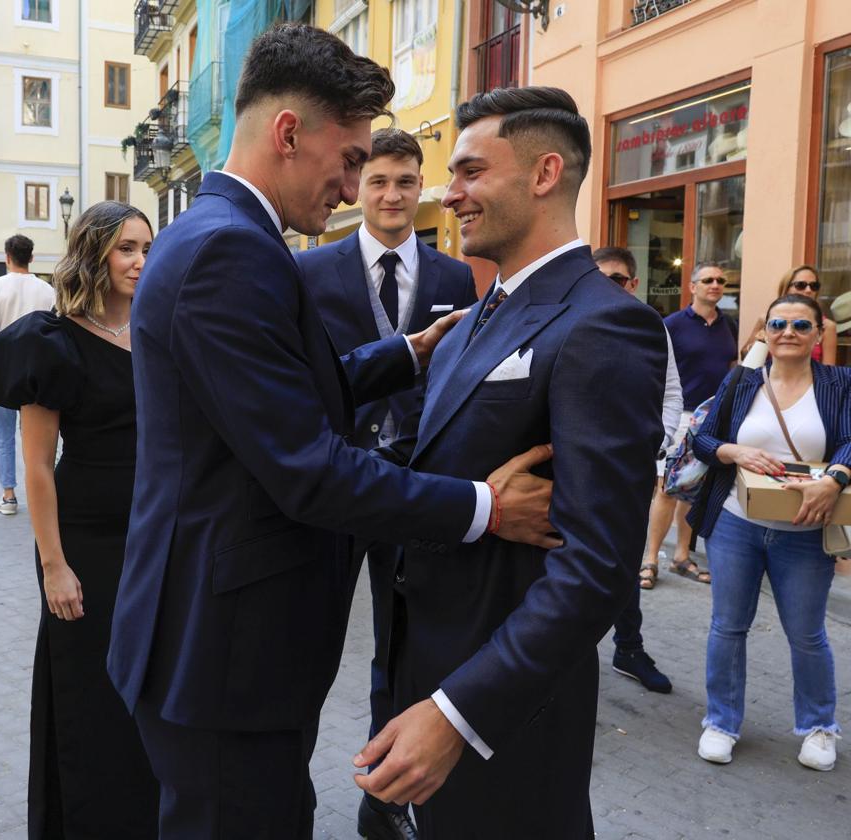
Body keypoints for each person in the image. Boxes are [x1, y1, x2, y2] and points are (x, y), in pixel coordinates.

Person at [108, 25, 555, 839]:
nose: (352, 189)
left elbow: (272, 401)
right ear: (288, 134)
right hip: (221, 660)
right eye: (350, 160)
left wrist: (405, 355)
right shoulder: (228, 254)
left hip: (216, 649)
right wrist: (484, 508)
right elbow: (307, 467)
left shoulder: (221, 236)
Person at [353, 87, 667, 838]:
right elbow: (421, 462)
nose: (448, 193)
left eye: (468, 172)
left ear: (544, 172)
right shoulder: (464, 327)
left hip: (505, 707)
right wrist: (479, 502)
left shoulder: (606, 324)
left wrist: (460, 714)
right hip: (420, 666)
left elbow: (597, 568)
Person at [297, 127, 477, 840]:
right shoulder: (311, 273)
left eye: (406, 181)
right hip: (338, 487)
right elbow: (309, 381)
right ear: (358, 189)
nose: (393, 195)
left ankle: (381, 795)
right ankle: (289, 782)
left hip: (420, 492)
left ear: (420, 185)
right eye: (378, 181)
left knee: (401, 649)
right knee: (308, 637)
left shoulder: (456, 278)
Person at [0, 201, 159, 839]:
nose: (140, 261)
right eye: (125, 249)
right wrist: (54, 565)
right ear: (94, 254)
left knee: (148, 686)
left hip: (154, 538)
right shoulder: (51, 341)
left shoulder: (160, 328)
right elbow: (36, 467)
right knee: (89, 691)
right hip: (83, 542)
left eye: (146, 247)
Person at [688, 293, 847, 771]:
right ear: (765, 331)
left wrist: (834, 478)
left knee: (806, 633)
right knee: (728, 627)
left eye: (801, 326)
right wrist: (734, 453)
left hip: (805, 530)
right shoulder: (742, 381)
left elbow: (850, 440)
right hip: (736, 523)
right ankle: (721, 722)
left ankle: (819, 727)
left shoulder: (840, 383)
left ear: (819, 335)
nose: (788, 333)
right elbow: (702, 438)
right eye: (778, 323)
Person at [593, 246, 681, 694]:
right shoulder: (573, 320)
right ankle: (564, 657)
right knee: (567, 563)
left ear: (632, 284)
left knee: (625, 563)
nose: (609, 286)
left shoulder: (651, 328)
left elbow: (670, 394)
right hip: (576, 469)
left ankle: (629, 648)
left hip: (630, 470)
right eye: (599, 277)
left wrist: (655, 446)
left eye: (618, 279)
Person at [642, 262, 738, 588]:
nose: (715, 284)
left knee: (694, 491)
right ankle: (650, 559)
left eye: (720, 281)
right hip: (680, 416)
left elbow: (731, 366)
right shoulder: (672, 324)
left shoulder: (730, 325)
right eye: (707, 280)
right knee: (667, 490)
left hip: (712, 418)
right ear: (692, 286)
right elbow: (655, 371)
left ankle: (682, 556)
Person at [0, 234, 56, 516]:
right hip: (38, 370)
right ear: (32, 258)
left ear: (7, 257)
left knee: (3, 435)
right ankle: (43, 492)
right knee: (39, 436)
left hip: (2, 370)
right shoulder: (48, 291)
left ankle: (9, 496)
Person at [740, 266, 838, 365]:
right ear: (786, 288)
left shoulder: (826, 326)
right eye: (801, 285)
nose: (809, 290)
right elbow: (744, 355)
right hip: (768, 379)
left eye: (814, 286)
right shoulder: (766, 319)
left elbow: (829, 369)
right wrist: (759, 343)